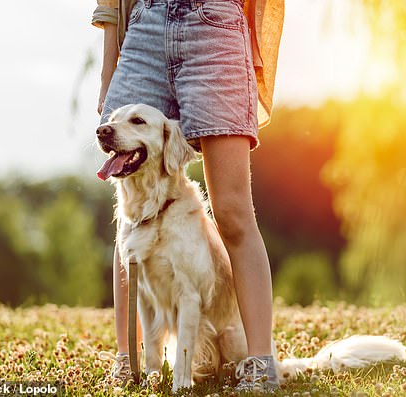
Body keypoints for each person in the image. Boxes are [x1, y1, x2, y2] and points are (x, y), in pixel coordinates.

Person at [91, 0, 284, 391]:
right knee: (133, 213)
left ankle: (260, 365)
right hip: (144, 26)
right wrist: (108, 71)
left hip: (215, 28)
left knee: (231, 212)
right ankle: (128, 360)